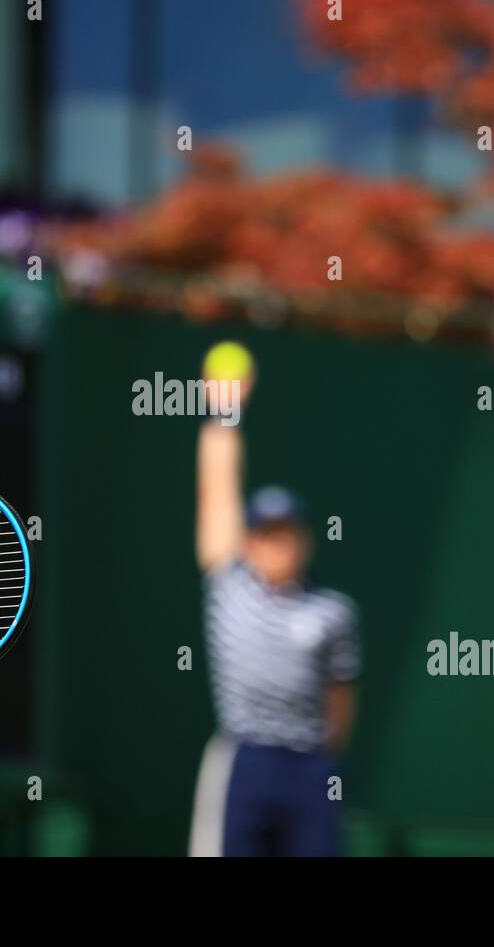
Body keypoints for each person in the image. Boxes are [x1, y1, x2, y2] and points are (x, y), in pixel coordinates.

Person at [189, 366, 360, 856]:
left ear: (304, 541)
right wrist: (224, 415)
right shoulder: (230, 588)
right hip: (248, 758)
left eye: (287, 533)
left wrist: (322, 759)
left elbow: (341, 702)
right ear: (249, 541)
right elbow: (217, 493)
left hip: (311, 766)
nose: (277, 544)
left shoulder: (334, 613)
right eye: (266, 533)